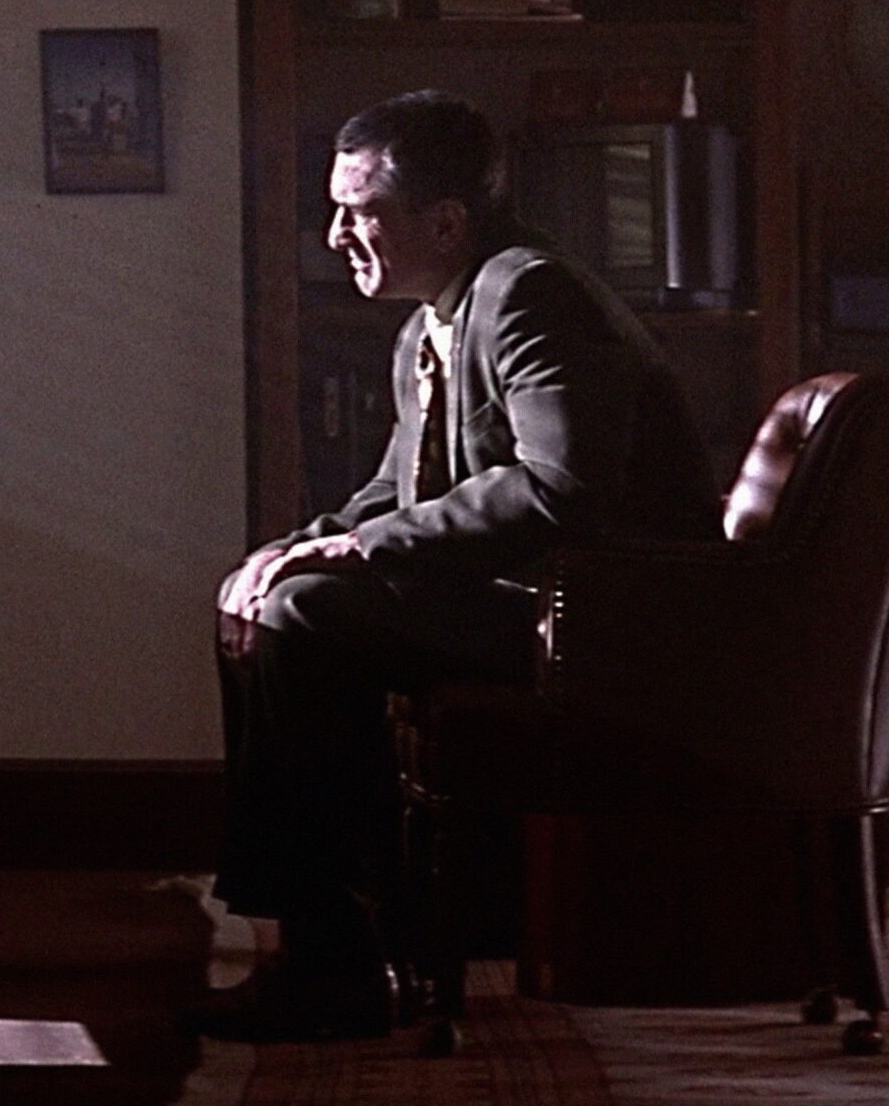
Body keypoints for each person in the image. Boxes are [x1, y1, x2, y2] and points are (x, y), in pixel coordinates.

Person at [196, 90, 723, 1042]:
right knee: (269, 598)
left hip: (605, 625)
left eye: (359, 212)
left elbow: (561, 487)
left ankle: (335, 965)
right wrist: (288, 548)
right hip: (530, 608)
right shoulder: (426, 327)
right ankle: (317, 939)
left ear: (445, 223)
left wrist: (356, 553)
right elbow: (391, 491)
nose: (335, 236)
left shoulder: (531, 294)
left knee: (304, 618)